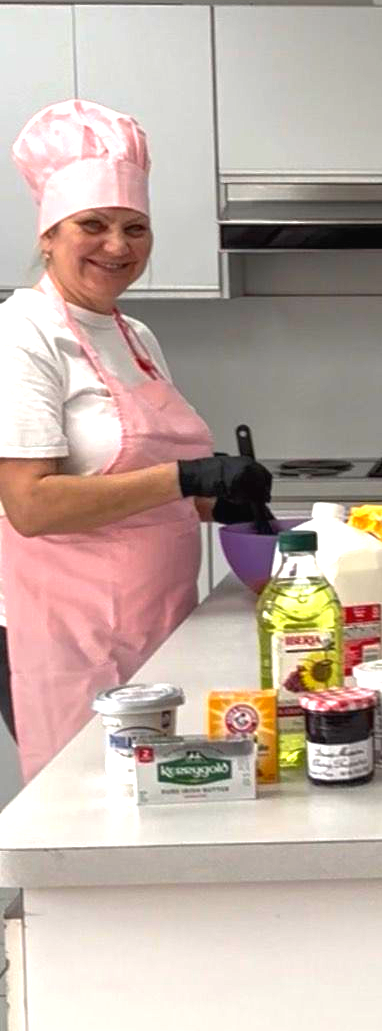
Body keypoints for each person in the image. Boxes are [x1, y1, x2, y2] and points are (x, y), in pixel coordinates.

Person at [0, 99, 271, 778]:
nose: (117, 246)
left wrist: (228, 505)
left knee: (156, 800)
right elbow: (30, 507)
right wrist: (188, 479)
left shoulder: (133, 336)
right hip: (66, 633)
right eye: (93, 224)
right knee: (85, 811)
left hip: (159, 620)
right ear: (48, 235)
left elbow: (159, 483)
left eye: (135, 228)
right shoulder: (23, 334)